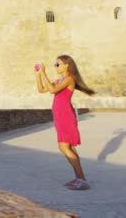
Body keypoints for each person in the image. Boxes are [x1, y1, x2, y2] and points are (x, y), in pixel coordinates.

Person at [35, 55, 96, 190]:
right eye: (55, 64)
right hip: (59, 116)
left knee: (64, 147)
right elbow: (42, 89)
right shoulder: (60, 80)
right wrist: (38, 75)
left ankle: (82, 180)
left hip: (66, 116)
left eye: (58, 64)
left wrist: (44, 72)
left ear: (66, 65)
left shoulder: (69, 79)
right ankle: (79, 178)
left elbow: (52, 90)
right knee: (68, 147)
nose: (56, 66)